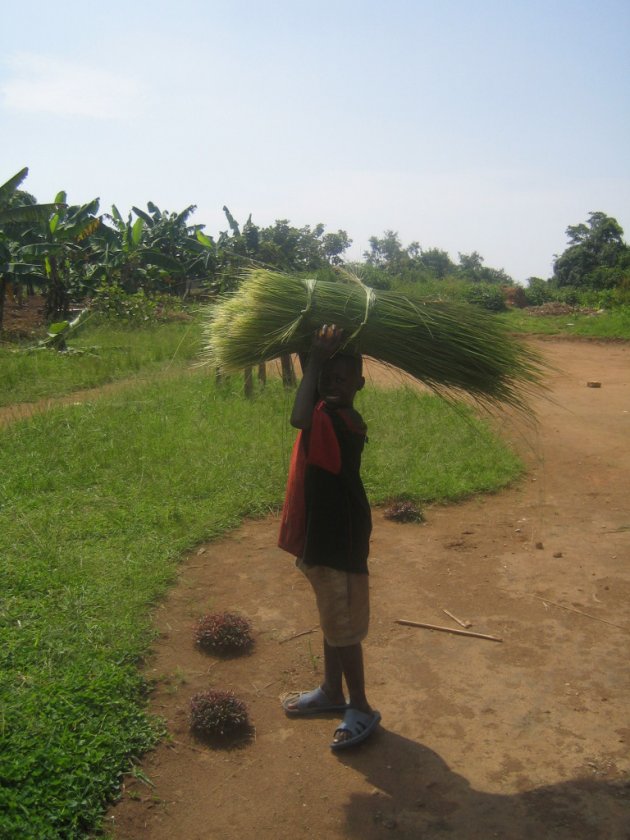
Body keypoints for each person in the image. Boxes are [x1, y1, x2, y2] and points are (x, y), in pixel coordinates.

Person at [278, 323, 381, 750]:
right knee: (332, 618)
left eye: (343, 378)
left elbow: (298, 416)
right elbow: (311, 396)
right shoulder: (328, 410)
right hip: (324, 536)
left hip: (342, 540)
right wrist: (315, 354)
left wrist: (319, 359)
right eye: (327, 379)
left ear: (360, 383)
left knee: (345, 628)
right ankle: (331, 691)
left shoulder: (342, 421)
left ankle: (359, 704)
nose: (333, 384)